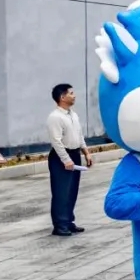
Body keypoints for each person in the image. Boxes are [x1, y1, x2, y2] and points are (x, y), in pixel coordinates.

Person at [46, 83, 92, 236]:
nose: (74, 96)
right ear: (62, 97)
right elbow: (56, 141)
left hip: (74, 155)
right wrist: (66, 160)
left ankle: (68, 222)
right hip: (60, 158)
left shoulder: (73, 115)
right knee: (61, 192)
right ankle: (60, 225)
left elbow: (79, 135)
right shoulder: (55, 117)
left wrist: (86, 152)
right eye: (71, 93)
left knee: (72, 191)